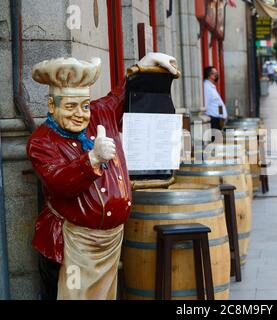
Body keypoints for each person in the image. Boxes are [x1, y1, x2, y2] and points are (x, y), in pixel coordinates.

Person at [28, 53, 178, 300]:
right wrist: (92, 160)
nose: (80, 113)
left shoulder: (100, 114)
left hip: (110, 242)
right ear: (52, 106)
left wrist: (143, 67)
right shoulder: (41, 141)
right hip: (75, 244)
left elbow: (121, 96)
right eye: (70, 106)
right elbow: (58, 182)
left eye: (84, 105)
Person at [204, 66, 228, 131]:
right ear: (209, 75)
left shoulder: (212, 87)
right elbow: (206, 104)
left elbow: (218, 104)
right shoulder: (207, 87)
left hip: (218, 121)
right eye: (214, 73)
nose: (216, 75)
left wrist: (222, 116)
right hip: (213, 120)